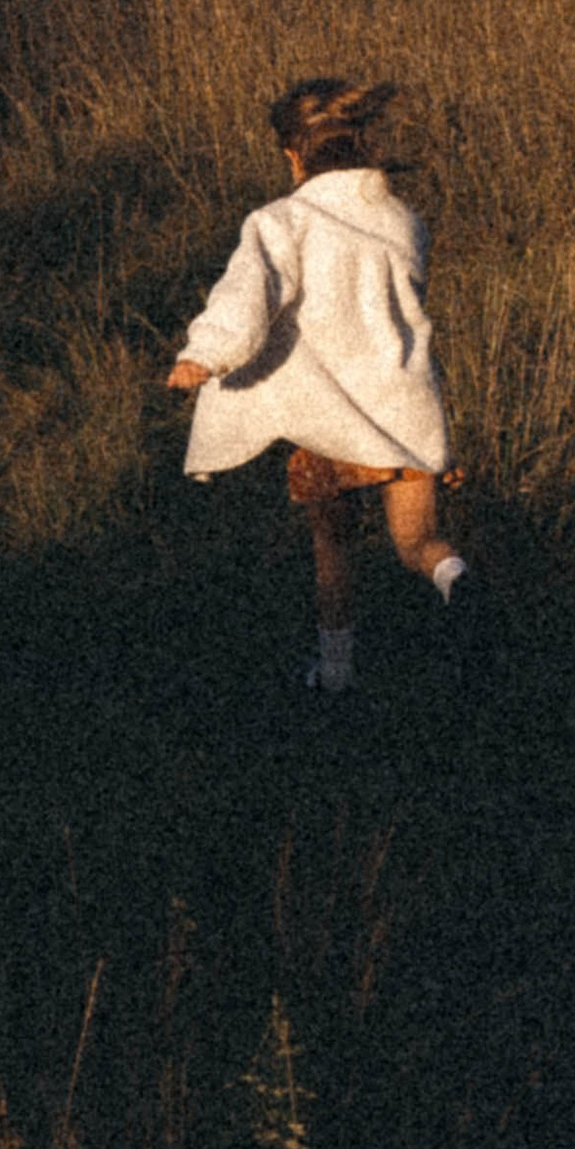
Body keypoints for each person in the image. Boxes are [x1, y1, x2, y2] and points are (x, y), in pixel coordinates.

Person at [165, 77, 481, 697]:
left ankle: (336, 676)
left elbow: (249, 295)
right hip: (405, 408)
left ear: (292, 156)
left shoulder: (282, 220)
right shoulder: (402, 221)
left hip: (328, 416)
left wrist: (206, 353)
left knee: (333, 548)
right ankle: (457, 578)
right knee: (416, 541)